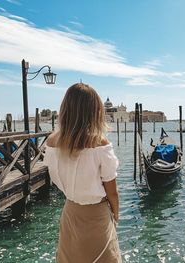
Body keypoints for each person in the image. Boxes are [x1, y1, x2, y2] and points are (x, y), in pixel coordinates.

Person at [43, 83, 122, 263]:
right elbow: (112, 192)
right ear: (94, 111)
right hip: (97, 215)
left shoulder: (52, 142)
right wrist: (116, 214)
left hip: (70, 211)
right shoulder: (100, 143)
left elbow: (55, 178)